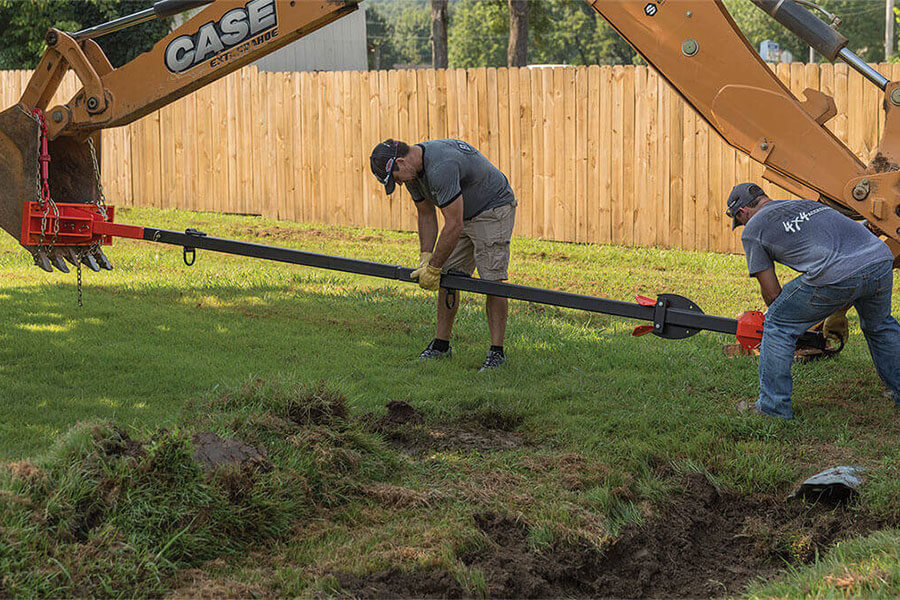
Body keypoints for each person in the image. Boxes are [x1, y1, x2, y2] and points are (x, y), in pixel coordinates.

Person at [727, 182, 900, 419]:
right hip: (879, 260)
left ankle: (772, 409)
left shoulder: (753, 229)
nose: (743, 224)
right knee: (880, 326)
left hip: (838, 274)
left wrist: (793, 320)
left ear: (742, 212)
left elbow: (772, 294)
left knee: (777, 325)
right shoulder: (803, 204)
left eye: (740, 220)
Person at [369, 138, 517, 371]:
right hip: (461, 213)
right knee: (449, 277)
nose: (397, 184)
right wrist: (426, 257)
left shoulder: (440, 167)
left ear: (400, 161)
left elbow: (453, 224)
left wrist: (434, 267)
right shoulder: (413, 173)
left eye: (395, 178)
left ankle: (497, 353)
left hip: (492, 208)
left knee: (492, 280)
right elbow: (426, 213)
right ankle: (441, 346)